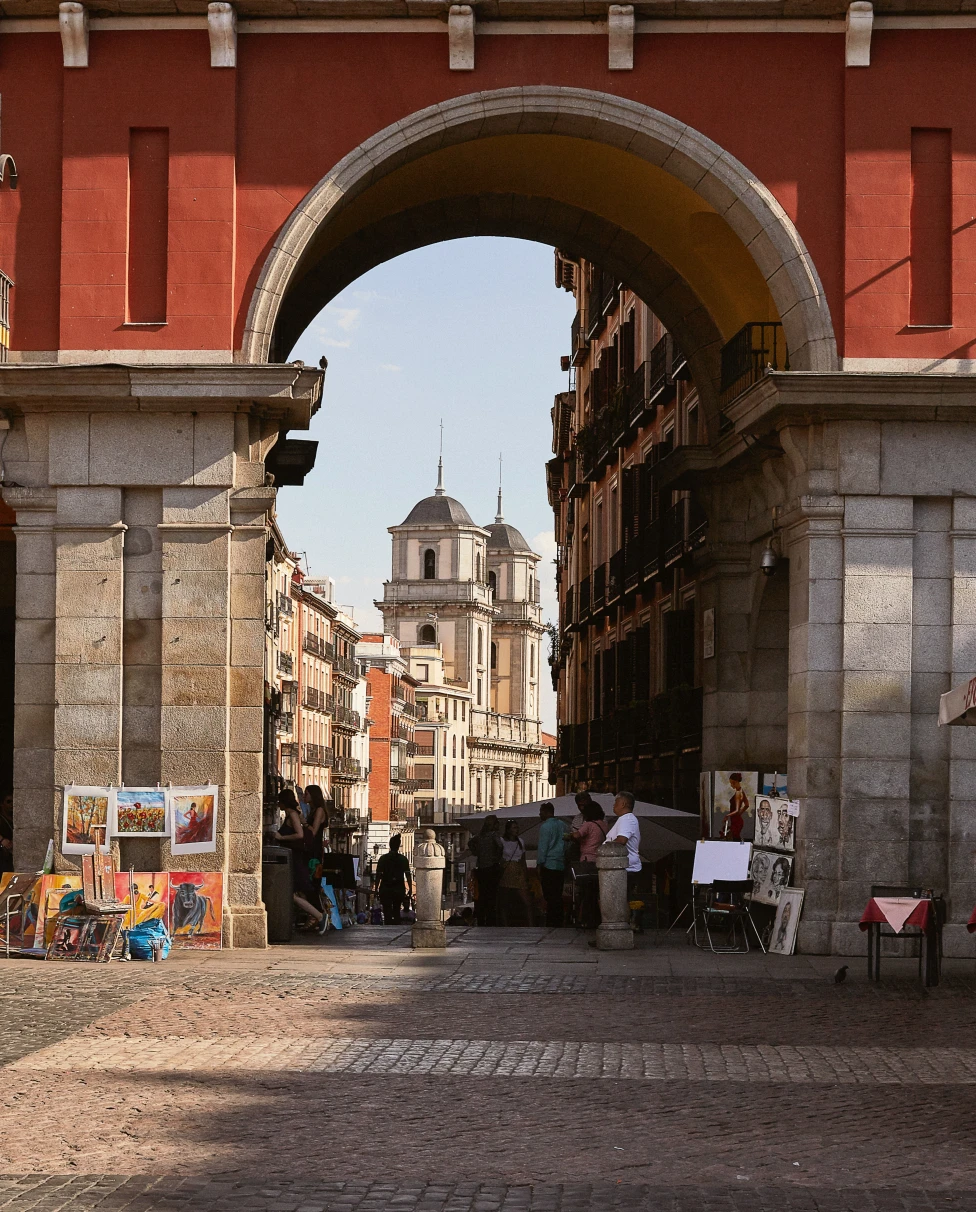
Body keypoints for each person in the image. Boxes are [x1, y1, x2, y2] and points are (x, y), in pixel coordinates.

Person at [273, 789, 330, 933]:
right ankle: (315, 915)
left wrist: (281, 837)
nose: (304, 796)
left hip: (305, 856)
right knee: (299, 891)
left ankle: (319, 915)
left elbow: (305, 833)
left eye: (307, 793)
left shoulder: (307, 812)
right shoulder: (300, 813)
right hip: (300, 855)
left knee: (303, 889)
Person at [570, 800, 608, 929]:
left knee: (586, 892)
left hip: (587, 860)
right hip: (600, 861)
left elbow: (576, 835)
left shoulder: (588, 825)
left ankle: (584, 919)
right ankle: (597, 918)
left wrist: (570, 836)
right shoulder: (604, 825)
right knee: (597, 891)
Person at [605, 790, 642, 900]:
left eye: (616, 802)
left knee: (619, 901)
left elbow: (621, 840)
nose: (614, 805)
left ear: (623, 804)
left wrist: (606, 846)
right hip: (619, 867)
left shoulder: (627, 819)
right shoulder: (623, 819)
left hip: (625, 869)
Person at [467, 816, 504, 926]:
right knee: (492, 895)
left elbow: (470, 843)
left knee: (482, 895)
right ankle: (491, 919)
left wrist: (477, 852)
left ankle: (481, 918)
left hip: (481, 868)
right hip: (492, 868)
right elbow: (500, 846)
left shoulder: (480, 836)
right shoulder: (493, 835)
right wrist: (497, 857)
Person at [536, 803, 567, 927]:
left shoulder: (545, 827)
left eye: (541, 811)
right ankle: (558, 920)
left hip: (549, 864)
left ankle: (551, 921)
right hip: (560, 863)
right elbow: (567, 843)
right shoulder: (563, 826)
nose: (539, 814)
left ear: (546, 812)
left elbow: (543, 847)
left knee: (549, 895)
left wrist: (539, 864)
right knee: (558, 894)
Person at [498, 820, 533, 926]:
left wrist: (526, 875)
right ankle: (504, 924)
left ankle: (531, 924)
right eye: (514, 828)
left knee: (526, 901)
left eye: (517, 828)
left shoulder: (521, 842)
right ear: (508, 830)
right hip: (507, 871)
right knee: (504, 901)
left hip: (518, 871)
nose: (516, 830)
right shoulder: (502, 841)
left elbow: (523, 860)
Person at [375, 835, 412, 925]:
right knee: (396, 909)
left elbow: (378, 875)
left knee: (387, 910)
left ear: (389, 845)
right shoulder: (403, 859)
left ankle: (388, 925)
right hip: (398, 888)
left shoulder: (383, 859)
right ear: (398, 846)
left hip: (385, 888)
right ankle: (396, 925)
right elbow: (408, 875)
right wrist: (410, 888)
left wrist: (376, 888)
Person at [721, 773, 750, 841]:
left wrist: (727, 815)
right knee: (735, 837)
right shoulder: (741, 791)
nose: (731, 785)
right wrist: (739, 814)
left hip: (736, 820)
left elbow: (737, 810)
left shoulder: (738, 793)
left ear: (736, 782)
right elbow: (746, 805)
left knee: (734, 837)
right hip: (736, 819)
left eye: (732, 783)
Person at [0, 792, 13, 875]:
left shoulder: (13, 817)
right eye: (8, 802)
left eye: (12, 801)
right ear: (2, 804)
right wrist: (2, 840)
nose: (11, 804)